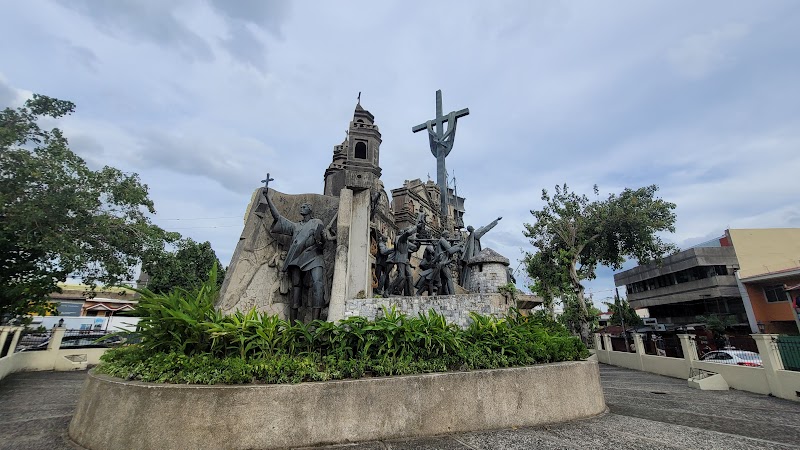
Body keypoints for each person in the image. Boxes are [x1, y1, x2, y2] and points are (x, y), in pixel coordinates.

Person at [264, 189, 325, 322]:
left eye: (304, 206)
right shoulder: (295, 226)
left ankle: (315, 322)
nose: (301, 208)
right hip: (297, 258)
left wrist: (319, 239)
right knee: (296, 286)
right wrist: (267, 198)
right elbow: (278, 218)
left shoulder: (316, 222)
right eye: (301, 206)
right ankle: (293, 324)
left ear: (309, 209)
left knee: (318, 284)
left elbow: (322, 241)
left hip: (314, 256)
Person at [459, 217, 502, 286]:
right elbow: (486, 229)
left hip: (469, 258)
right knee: (471, 272)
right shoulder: (475, 235)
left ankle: (465, 285)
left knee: (467, 272)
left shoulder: (469, 237)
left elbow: (483, 229)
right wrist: (496, 220)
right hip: (474, 256)